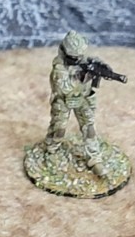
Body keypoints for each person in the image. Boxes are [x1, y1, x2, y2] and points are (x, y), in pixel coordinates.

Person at [45, 30, 107, 176]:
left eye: (80, 56)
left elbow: (91, 73)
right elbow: (64, 88)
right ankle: (52, 149)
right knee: (59, 128)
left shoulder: (84, 60)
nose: (78, 59)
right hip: (64, 101)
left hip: (83, 99)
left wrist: (98, 70)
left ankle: (94, 157)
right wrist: (82, 77)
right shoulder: (60, 68)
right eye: (75, 57)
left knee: (89, 128)